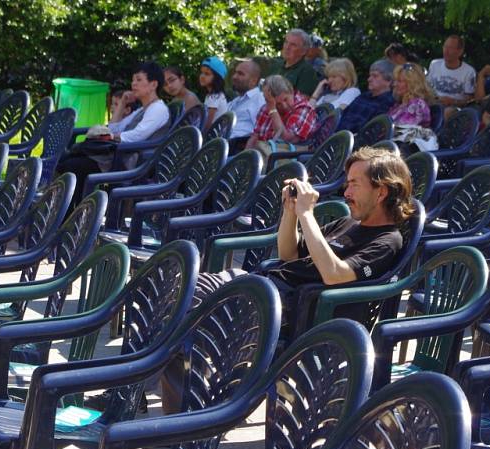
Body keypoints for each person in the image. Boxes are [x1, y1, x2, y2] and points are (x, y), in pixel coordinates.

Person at [157, 147, 414, 416]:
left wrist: (307, 214)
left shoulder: (387, 241)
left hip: (283, 309)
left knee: (179, 309)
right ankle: (178, 406)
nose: (346, 193)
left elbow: (334, 275)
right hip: (261, 288)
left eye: (354, 185)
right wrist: (290, 212)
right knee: (173, 288)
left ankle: (158, 403)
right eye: (347, 183)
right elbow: (289, 254)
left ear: (382, 191)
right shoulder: (349, 223)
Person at [56, 62, 169, 205]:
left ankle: (71, 214)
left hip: (129, 162)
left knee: (74, 165)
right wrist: (122, 104)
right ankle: (69, 212)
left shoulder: (158, 109)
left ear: (153, 84)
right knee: (68, 161)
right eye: (133, 80)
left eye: (139, 80)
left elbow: (137, 136)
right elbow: (114, 127)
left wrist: (110, 137)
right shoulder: (142, 110)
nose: (133, 84)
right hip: (116, 156)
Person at [246, 75, 318, 150]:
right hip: (261, 153)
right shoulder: (265, 108)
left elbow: (285, 138)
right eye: (278, 104)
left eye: (285, 99)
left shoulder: (304, 109)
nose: (284, 106)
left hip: (285, 158)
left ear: (292, 91)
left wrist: (273, 109)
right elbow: (254, 137)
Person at [337, 59, 396, 134]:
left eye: (375, 76)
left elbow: (370, 131)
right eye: (370, 76)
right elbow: (343, 116)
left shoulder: (388, 102)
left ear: (389, 80)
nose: (369, 79)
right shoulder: (363, 96)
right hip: (337, 136)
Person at [426, 35, 476, 118]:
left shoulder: (469, 71)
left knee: (448, 112)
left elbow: (470, 99)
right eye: (445, 47)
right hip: (434, 103)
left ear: (460, 52)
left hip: (454, 108)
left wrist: (453, 101)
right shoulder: (434, 64)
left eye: (451, 48)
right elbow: (426, 87)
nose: (446, 51)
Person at [226, 59, 266, 153]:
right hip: (221, 144)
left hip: (237, 148)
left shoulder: (260, 100)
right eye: (235, 73)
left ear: (253, 81)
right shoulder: (235, 101)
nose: (234, 77)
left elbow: (260, 132)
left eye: (240, 74)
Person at [272, 28, 320, 97]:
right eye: (286, 42)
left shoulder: (307, 72)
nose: (287, 47)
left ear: (303, 51)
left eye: (293, 45)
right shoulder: (276, 65)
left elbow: (301, 102)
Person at [389, 63, 435, 127]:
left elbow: (403, 130)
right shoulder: (399, 104)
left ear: (412, 84)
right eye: (395, 80)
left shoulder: (418, 105)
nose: (394, 84)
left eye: (399, 81)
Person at [199, 56, 229, 130]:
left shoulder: (214, 97)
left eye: (207, 74)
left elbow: (208, 123)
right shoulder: (212, 95)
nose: (202, 76)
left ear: (217, 78)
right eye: (201, 73)